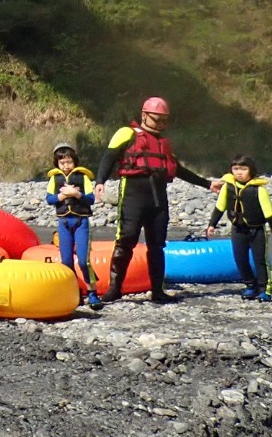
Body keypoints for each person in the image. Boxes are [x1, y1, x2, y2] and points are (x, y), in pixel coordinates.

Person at [94, 96, 222, 304]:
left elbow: (177, 169)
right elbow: (109, 157)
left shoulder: (164, 143)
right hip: (133, 194)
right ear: (144, 115)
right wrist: (100, 181)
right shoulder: (126, 133)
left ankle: (157, 291)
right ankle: (114, 289)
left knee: (157, 244)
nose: (161, 124)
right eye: (157, 119)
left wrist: (207, 184)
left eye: (165, 120)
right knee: (126, 240)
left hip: (158, 197)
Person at [206, 155, 272, 301]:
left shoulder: (259, 190)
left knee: (259, 260)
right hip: (238, 229)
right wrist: (212, 225)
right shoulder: (227, 188)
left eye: (243, 169)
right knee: (240, 259)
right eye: (235, 169)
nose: (239, 172)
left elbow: (269, 214)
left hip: (257, 230)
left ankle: (264, 289)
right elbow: (219, 207)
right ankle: (250, 286)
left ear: (251, 170)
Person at [45, 143, 100, 308]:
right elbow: (49, 199)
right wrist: (63, 195)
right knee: (67, 261)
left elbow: (90, 199)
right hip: (63, 223)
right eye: (62, 163)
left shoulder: (83, 178)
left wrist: (76, 194)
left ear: (74, 162)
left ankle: (92, 293)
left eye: (69, 162)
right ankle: (75, 292)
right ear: (57, 164)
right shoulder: (54, 179)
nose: (66, 166)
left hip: (81, 222)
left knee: (84, 261)